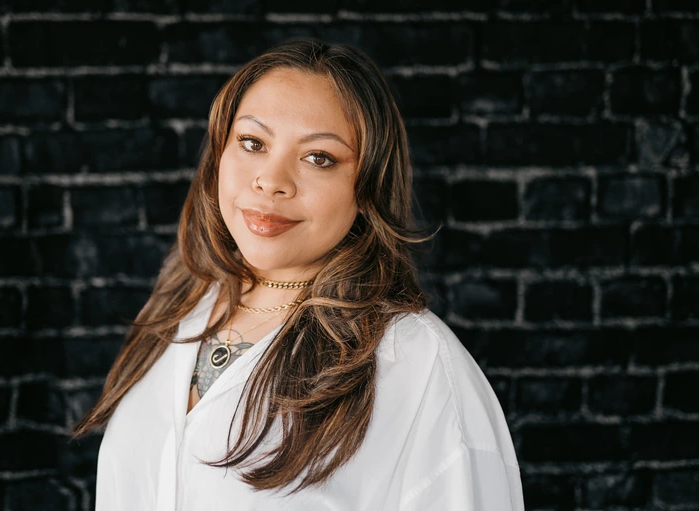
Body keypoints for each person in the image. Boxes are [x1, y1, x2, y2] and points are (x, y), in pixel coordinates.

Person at [72, 38, 525, 510]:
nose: (271, 180)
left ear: (367, 186)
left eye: (319, 158)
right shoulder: (180, 304)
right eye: (252, 143)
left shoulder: (417, 364)